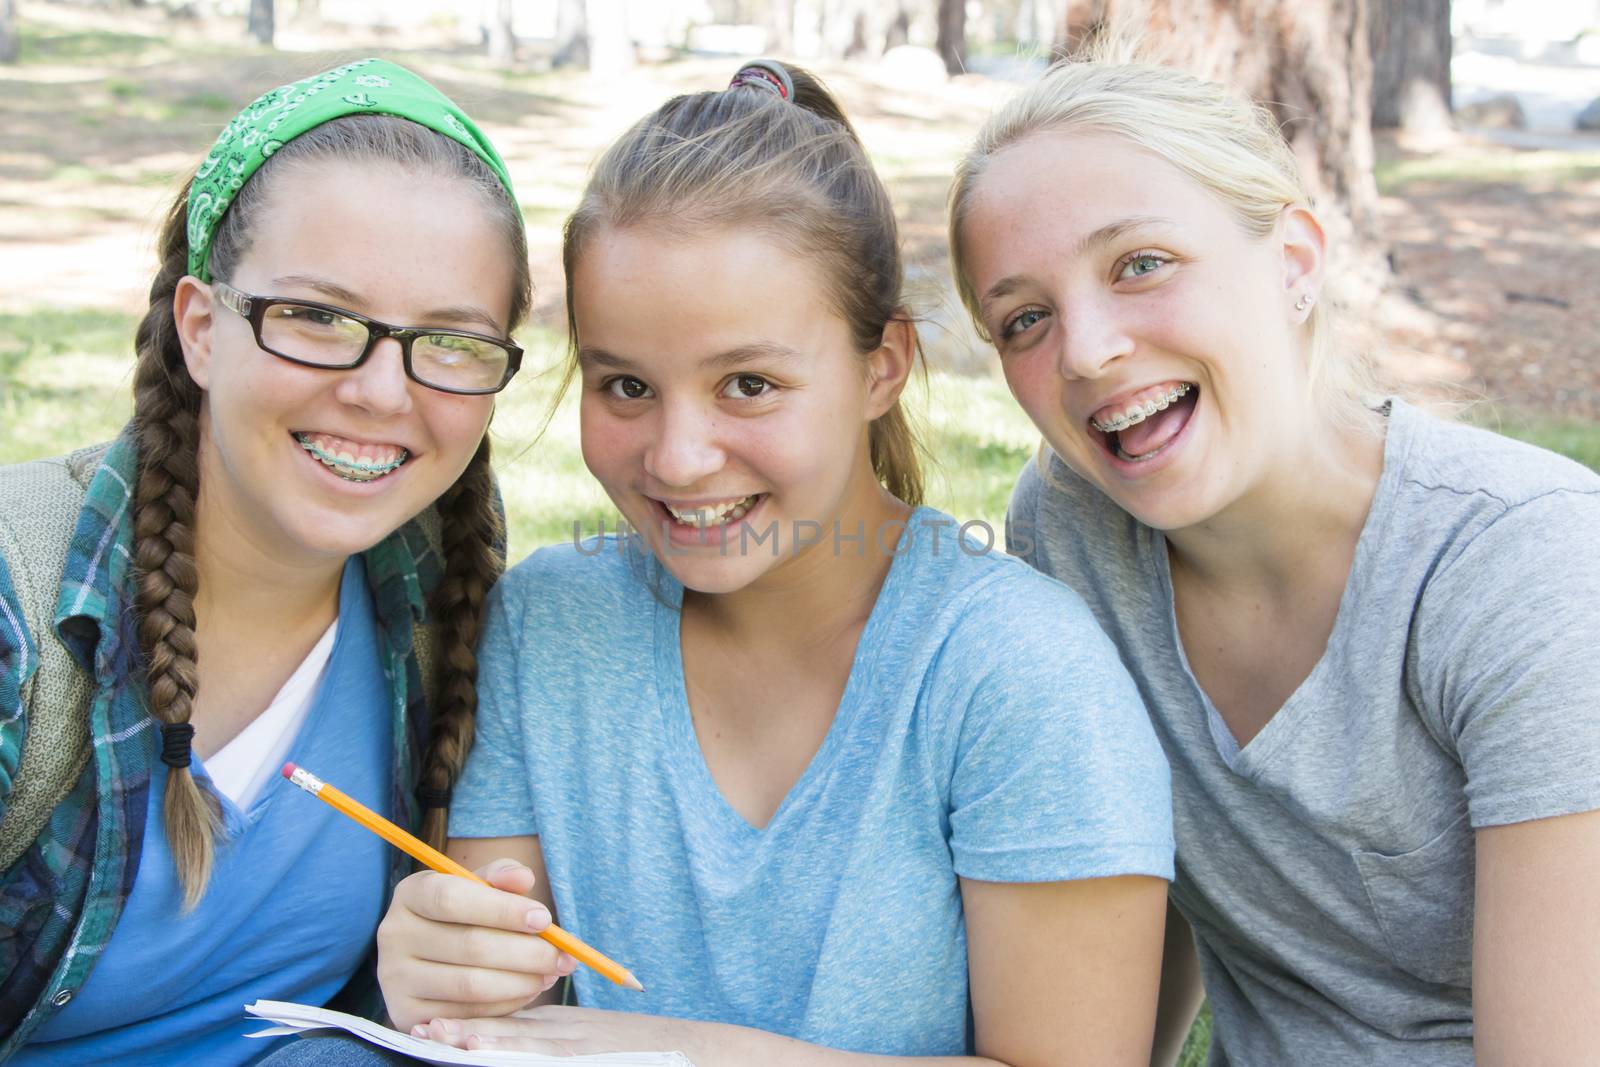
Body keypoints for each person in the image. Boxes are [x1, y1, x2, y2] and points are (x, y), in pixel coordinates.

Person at [273, 60, 1175, 1067]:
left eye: (747, 383)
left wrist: (681, 1047)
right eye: (624, 385)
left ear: (882, 365)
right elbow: (502, 1022)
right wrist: (445, 965)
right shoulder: (548, 624)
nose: (676, 455)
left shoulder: (1016, 668)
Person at [946, 49, 1600, 1067]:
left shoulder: (1526, 564)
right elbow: (1131, 888)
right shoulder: (1072, 525)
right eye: (1024, 317)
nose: (1084, 349)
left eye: (1140, 264)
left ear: (1294, 261)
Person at [0, 59, 530, 1064]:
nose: (382, 393)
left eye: (452, 341)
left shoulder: (438, 585)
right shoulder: (19, 607)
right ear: (202, 327)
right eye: (318, 317)